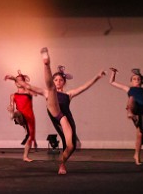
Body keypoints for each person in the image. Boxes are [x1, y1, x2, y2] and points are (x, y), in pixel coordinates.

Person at [27, 47, 105, 175]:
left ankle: (62, 163)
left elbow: (84, 87)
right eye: (56, 80)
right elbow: (30, 86)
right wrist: (16, 80)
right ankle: (46, 64)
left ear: (64, 82)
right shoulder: (48, 91)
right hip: (55, 113)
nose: (58, 82)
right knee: (51, 89)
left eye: (60, 80)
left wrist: (97, 77)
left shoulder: (69, 94)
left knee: (71, 146)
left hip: (66, 118)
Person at [4, 70, 43, 162]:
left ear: (23, 82)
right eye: (16, 81)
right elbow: (12, 106)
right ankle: (13, 116)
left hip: (29, 117)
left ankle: (25, 156)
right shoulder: (13, 95)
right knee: (17, 113)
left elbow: (35, 93)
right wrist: (11, 110)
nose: (17, 82)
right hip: (20, 116)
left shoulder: (28, 92)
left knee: (30, 136)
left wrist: (16, 79)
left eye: (20, 80)